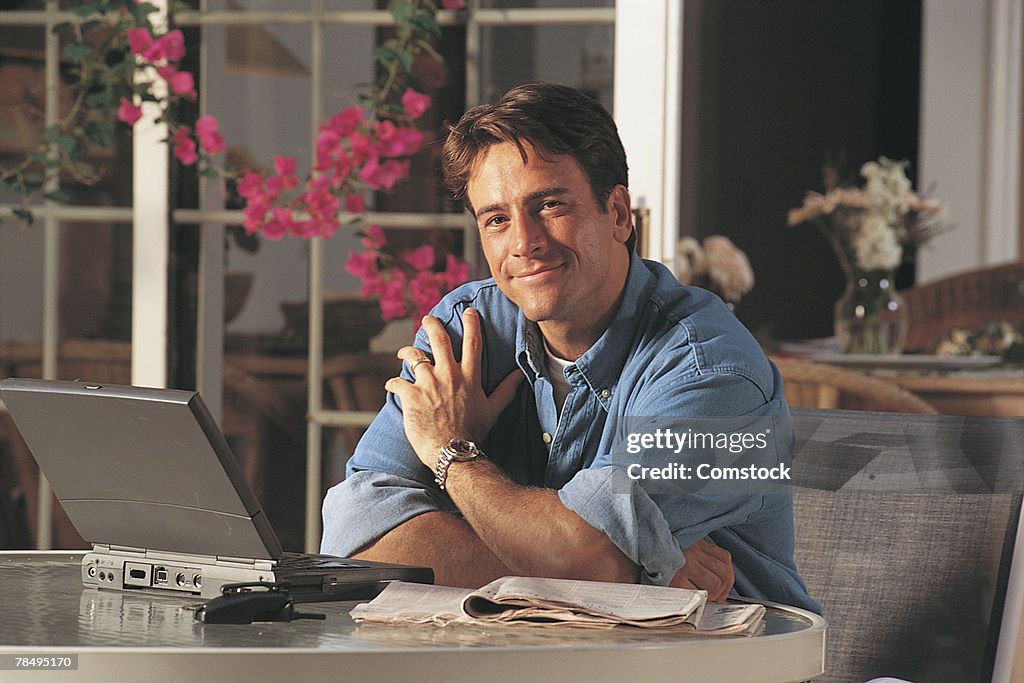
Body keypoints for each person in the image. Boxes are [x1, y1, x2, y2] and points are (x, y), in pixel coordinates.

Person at [321, 81, 819, 612]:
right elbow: (354, 538)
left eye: (550, 205)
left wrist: (454, 456)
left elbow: (583, 553)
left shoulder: (710, 369)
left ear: (619, 215)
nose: (523, 243)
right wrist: (629, 581)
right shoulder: (467, 329)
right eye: (496, 219)